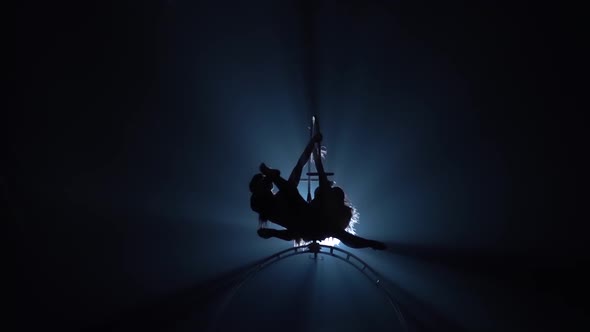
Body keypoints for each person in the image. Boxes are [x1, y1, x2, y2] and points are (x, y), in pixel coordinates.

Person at [249, 133, 386, 250]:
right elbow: (302, 167)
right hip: (306, 224)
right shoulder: (326, 217)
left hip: (307, 224)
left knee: (291, 193)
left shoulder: (326, 217)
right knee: (291, 192)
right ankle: (271, 178)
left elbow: (301, 167)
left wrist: (313, 146)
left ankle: (271, 178)